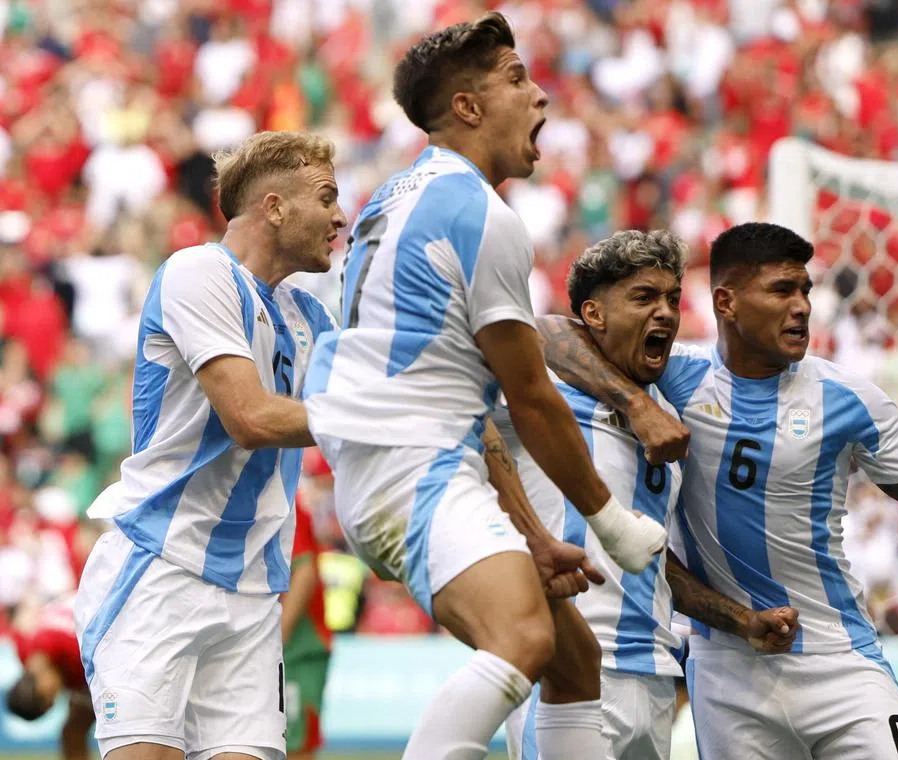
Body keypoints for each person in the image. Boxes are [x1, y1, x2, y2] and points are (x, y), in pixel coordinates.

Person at [539, 222, 898, 759]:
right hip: (726, 672)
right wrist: (638, 404)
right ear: (727, 303)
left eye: (805, 290)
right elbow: (551, 331)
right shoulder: (674, 379)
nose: (802, 306)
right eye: (782, 290)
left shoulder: (848, 398)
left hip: (837, 657)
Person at [301, 12, 666, 760]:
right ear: (466, 107)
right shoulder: (479, 214)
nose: (540, 98)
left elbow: (476, 407)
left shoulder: (393, 198)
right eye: (515, 79)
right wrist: (610, 523)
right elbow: (530, 397)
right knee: (524, 637)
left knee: (574, 662)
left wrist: (536, 536)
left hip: (404, 460)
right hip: (414, 463)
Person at [74, 130, 345, 760]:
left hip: (252, 592)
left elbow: (371, 410)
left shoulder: (312, 319)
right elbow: (250, 417)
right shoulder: (199, 272)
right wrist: (386, 416)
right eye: (327, 196)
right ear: (274, 207)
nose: (339, 216)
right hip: (160, 570)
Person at [496, 229, 800, 760]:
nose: (664, 312)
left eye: (671, 299)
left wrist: (740, 619)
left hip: (656, 672)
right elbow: (541, 331)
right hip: (568, 665)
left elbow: (651, 560)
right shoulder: (540, 391)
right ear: (593, 314)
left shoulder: (673, 408)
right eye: (643, 297)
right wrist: (634, 405)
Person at [7, 594, 94, 760]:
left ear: (40, 686)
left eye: (50, 697)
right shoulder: (25, 648)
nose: (57, 696)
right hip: (81, 597)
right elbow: (21, 616)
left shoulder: (76, 651)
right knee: (72, 731)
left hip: (105, 610)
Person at [280, 501, 331, 760]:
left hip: (296, 648)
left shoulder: (281, 498)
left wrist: (276, 640)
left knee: (294, 744)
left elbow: (304, 573)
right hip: (280, 645)